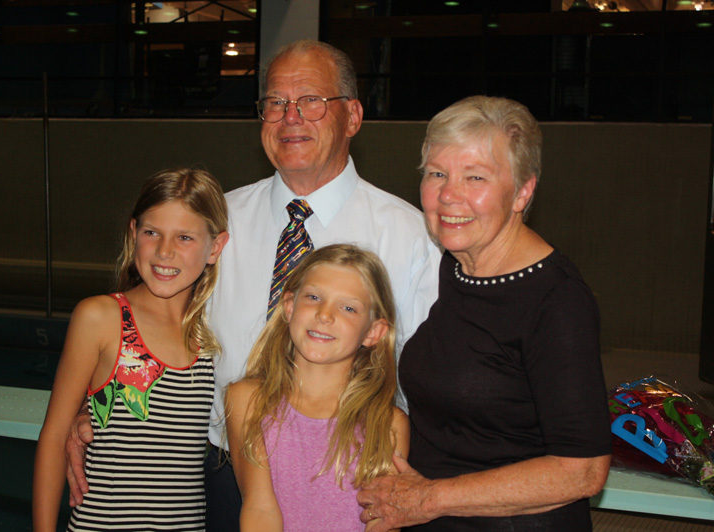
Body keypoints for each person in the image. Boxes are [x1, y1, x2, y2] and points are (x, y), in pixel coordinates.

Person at [64, 40, 442, 531]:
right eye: (275, 102)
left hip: (348, 482)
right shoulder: (214, 224)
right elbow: (150, 323)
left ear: (352, 116)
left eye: (311, 101)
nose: (290, 117)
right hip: (221, 474)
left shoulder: (411, 236)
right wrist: (92, 403)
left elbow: (430, 381)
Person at [356, 96, 612, 532]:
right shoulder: (457, 266)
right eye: (437, 173)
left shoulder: (557, 300)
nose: (448, 194)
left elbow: (583, 470)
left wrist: (428, 498)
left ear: (523, 191)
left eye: (475, 177)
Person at [33, 168, 229, 532]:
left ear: (215, 248)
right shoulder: (103, 318)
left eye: (184, 237)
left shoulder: (213, 332)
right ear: (133, 232)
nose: (165, 251)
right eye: (152, 232)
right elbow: (55, 436)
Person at [225, 244, 409, 532]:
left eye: (348, 307)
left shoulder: (387, 423)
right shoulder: (247, 399)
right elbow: (260, 508)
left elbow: (382, 523)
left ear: (374, 332)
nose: (325, 314)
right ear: (289, 307)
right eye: (313, 297)